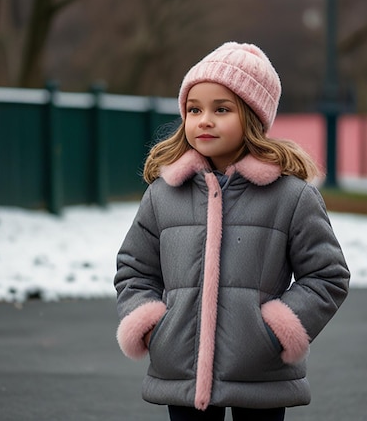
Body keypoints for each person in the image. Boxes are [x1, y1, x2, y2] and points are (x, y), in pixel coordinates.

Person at [114, 42, 350, 421]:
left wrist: (276, 330)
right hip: (182, 371)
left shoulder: (291, 196)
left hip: (260, 371)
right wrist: (153, 325)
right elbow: (134, 269)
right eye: (194, 109)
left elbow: (327, 276)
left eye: (221, 109)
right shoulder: (163, 194)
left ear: (253, 118)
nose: (204, 120)